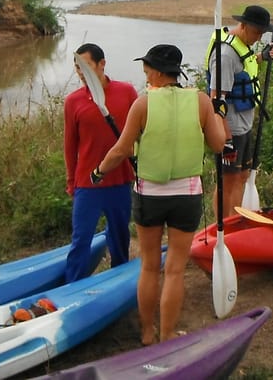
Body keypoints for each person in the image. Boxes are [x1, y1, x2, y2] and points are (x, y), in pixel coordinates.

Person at [92, 44, 225, 345]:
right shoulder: (201, 101)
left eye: (147, 70)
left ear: (157, 71)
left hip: (150, 195)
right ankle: (168, 334)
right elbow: (218, 145)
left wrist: (98, 172)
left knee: (150, 266)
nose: (145, 75)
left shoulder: (142, 104)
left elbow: (121, 150)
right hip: (187, 196)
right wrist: (216, 114)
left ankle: (148, 333)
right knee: (175, 270)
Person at [62, 43, 138, 282]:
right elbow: (70, 145)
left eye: (85, 66)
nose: (81, 73)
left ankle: (118, 283)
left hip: (121, 180)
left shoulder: (126, 92)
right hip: (88, 183)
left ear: (102, 64)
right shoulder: (73, 101)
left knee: (119, 237)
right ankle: (73, 287)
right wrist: (71, 180)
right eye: (77, 68)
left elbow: (140, 133)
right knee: (81, 239)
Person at [206, 4, 273, 216]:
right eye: (256, 32)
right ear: (243, 25)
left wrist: (262, 57)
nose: (259, 38)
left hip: (245, 125)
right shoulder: (225, 55)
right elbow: (216, 100)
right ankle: (222, 229)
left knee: (242, 176)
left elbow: (244, 66)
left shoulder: (242, 45)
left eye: (262, 34)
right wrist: (226, 137)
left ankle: (236, 221)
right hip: (231, 130)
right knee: (227, 181)